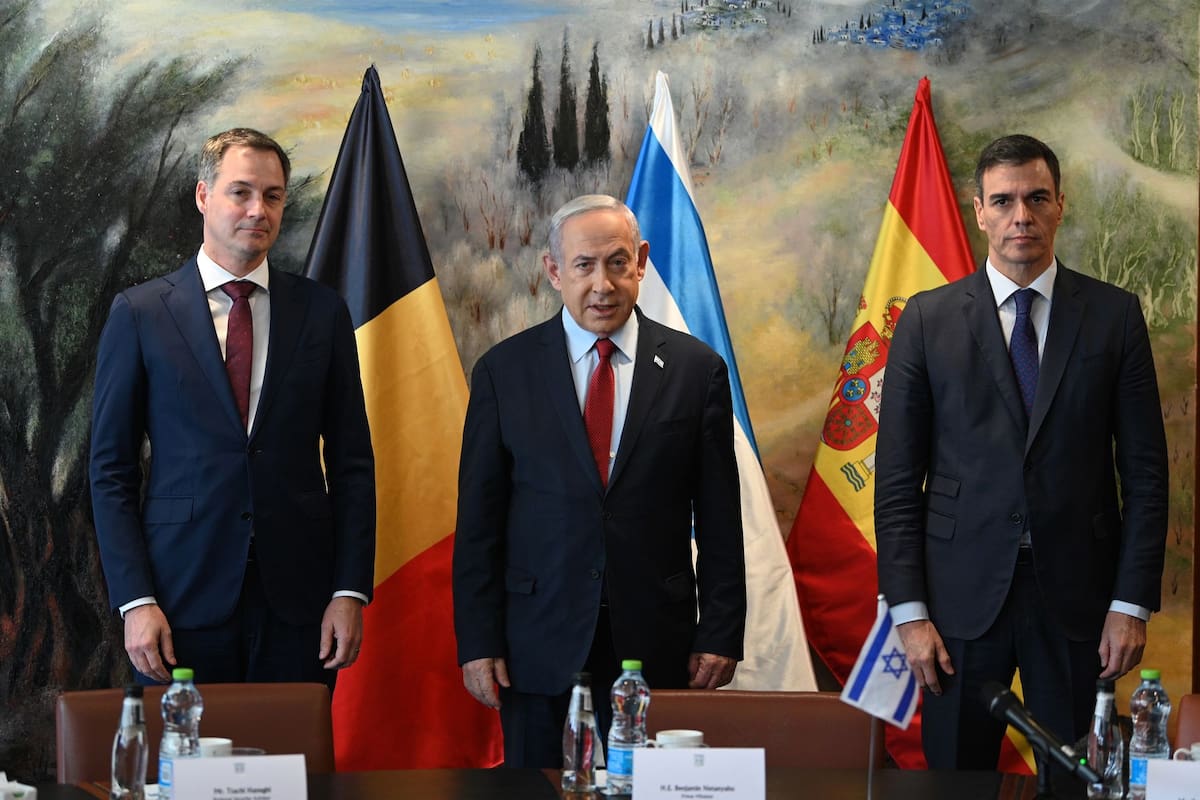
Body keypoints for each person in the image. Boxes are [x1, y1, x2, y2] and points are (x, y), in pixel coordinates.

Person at [875, 134, 1169, 774]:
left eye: (1036, 198)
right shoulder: (926, 321)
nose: (1021, 216)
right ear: (978, 210)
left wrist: (1129, 603)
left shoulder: (1115, 317)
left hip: (1079, 601)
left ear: (1060, 204)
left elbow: (1145, 475)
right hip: (955, 604)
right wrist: (909, 612)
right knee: (955, 780)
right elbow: (897, 481)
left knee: (1072, 780)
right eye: (1003, 201)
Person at [453, 194, 746, 767]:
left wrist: (720, 630)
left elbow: (719, 518)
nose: (602, 285)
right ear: (554, 271)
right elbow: (479, 525)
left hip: (656, 644)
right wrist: (478, 640)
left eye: (617, 262)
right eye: (584, 266)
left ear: (640, 260)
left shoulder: (696, 370)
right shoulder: (503, 372)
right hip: (537, 643)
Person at [89, 128, 376, 688]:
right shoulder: (141, 313)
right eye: (240, 192)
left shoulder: (322, 313)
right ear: (203, 196)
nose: (257, 210)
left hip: (301, 607)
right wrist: (134, 600)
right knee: (184, 771)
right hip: (176, 602)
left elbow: (352, 464)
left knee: (296, 772)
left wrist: (348, 591)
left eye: (272, 196)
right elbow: (110, 472)